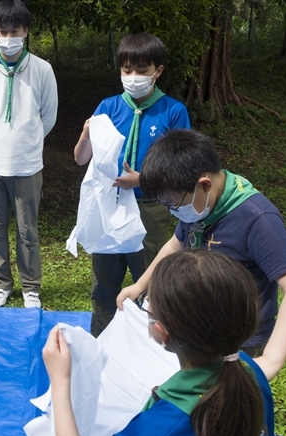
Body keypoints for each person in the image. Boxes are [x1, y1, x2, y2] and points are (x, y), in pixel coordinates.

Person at [117, 128, 286, 380]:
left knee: (231, 410)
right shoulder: (199, 203)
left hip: (239, 341)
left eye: (174, 204)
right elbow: (176, 244)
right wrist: (140, 285)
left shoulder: (257, 219)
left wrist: (271, 360)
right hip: (200, 332)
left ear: (204, 184)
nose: (173, 211)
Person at [43, 250, 275, 436]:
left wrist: (61, 382)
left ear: (162, 331)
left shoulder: (163, 431)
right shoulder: (248, 370)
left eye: (148, 303)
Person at [73, 32, 190, 337]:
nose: (133, 77)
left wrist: (143, 179)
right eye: (127, 71)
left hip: (150, 207)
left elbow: (181, 169)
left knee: (151, 283)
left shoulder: (173, 111)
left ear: (158, 71)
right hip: (110, 209)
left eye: (142, 71)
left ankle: (150, 349)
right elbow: (80, 158)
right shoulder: (109, 107)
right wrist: (86, 135)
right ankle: (101, 343)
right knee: (104, 285)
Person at [0, 0, 58, 308]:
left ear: (26, 31)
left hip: (27, 164)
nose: (8, 38)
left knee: (28, 229)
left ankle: (31, 286)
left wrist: (26, 141)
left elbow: (49, 116)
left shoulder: (42, 70)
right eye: (2, 31)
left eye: (14, 31)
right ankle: (1, 283)